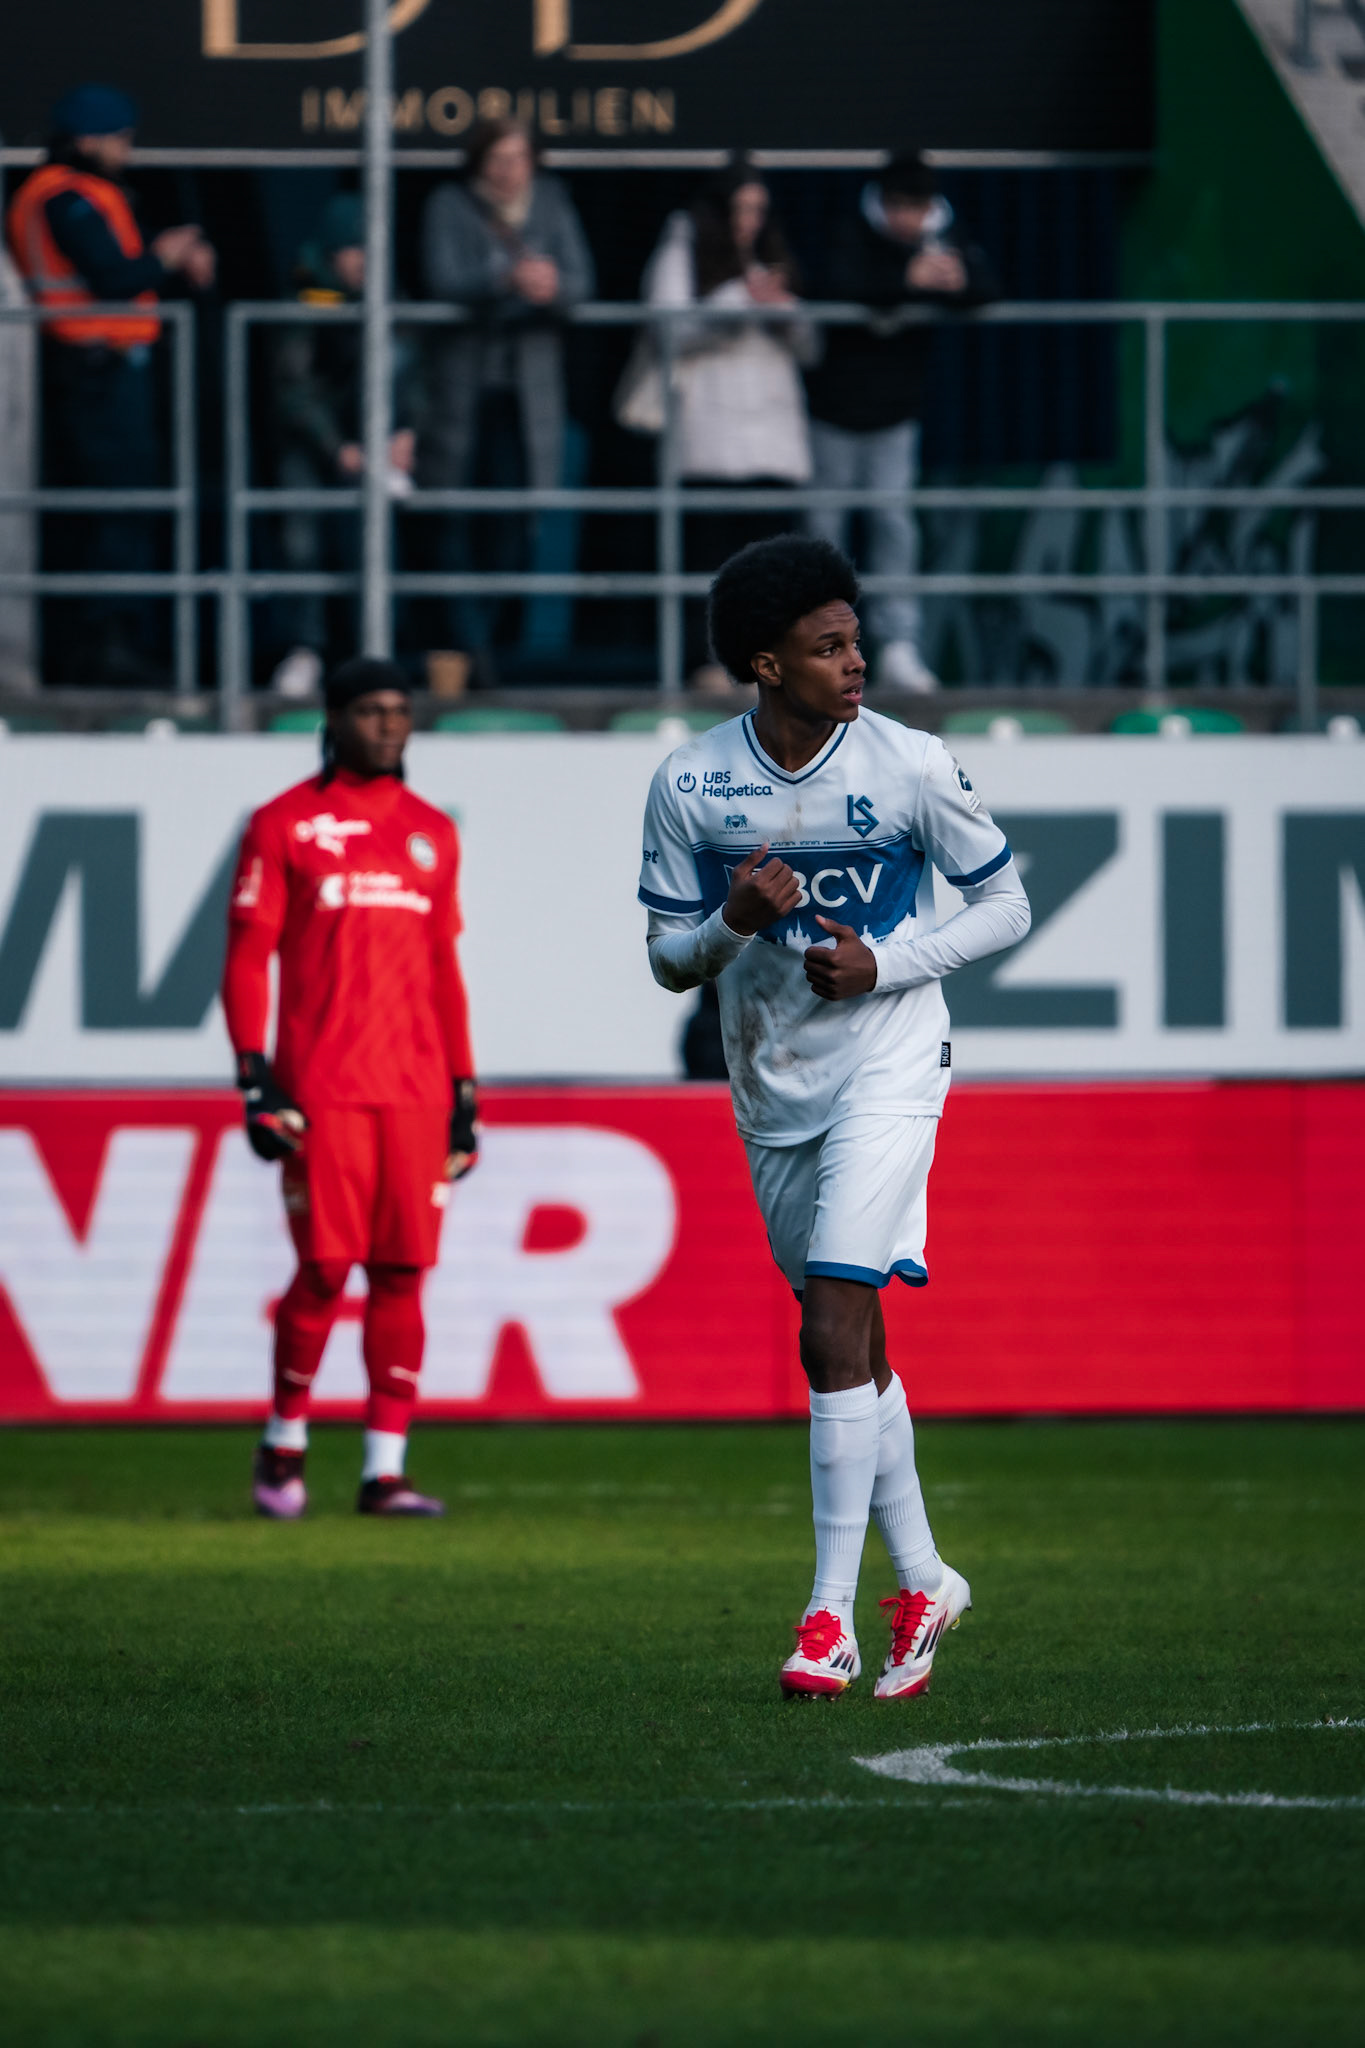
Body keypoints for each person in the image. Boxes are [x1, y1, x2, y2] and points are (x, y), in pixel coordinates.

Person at [637, 536, 1030, 1698]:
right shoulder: (691, 783)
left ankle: (828, 1614)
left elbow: (1004, 902)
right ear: (766, 663)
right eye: (830, 645)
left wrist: (892, 962)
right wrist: (730, 924)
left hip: (894, 1059)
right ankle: (926, 1575)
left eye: (856, 638)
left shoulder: (910, 764)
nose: (858, 660)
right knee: (844, 1331)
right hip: (770, 1081)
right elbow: (667, 959)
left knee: (834, 1312)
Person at [221, 656, 479, 1518]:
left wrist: (463, 1089)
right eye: (370, 711)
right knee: (327, 1269)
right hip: (322, 1087)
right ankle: (285, 1442)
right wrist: (253, 1080)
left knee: (403, 1270)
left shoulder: (430, 832)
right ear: (332, 719)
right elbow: (247, 956)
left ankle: (384, 1471)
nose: (389, 726)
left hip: (413, 1093)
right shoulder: (283, 824)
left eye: (399, 712)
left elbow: (443, 969)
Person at [5, 84, 215, 685]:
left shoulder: (73, 195)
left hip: (102, 370)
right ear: (88, 139)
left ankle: (111, 640)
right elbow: (112, 277)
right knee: (113, 509)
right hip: (94, 373)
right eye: (120, 139)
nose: (127, 150)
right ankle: (105, 646)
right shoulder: (64, 198)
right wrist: (167, 256)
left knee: (118, 509)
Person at [804, 149, 997, 693]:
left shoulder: (945, 231)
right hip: (832, 413)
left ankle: (898, 647)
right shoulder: (848, 228)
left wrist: (954, 278)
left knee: (894, 527)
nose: (906, 220)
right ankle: (819, 649)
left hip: (896, 416)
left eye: (917, 208)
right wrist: (906, 277)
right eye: (897, 207)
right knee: (824, 536)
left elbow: (988, 287)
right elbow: (836, 283)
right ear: (882, 202)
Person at [419, 118, 594, 666]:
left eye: (518, 158)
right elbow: (441, 278)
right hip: (463, 392)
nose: (508, 170)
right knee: (454, 519)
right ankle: (465, 648)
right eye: (497, 158)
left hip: (527, 393)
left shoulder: (552, 202)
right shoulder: (449, 204)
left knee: (517, 522)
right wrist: (505, 281)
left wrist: (551, 288)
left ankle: (492, 646)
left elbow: (581, 282)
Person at [638, 169, 814, 681]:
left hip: (773, 443)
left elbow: (813, 347)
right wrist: (739, 302)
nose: (750, 222)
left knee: (776, 571)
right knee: (711, 566)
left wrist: (788, 315)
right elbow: (665, 330)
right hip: (708, 437)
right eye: (740, 209)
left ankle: (771, 667)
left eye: (759, 210)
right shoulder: (682, 248)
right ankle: (707, 664)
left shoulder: (772, 257)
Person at [267, 193, 419, 697]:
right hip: (313, 444)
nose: (364, 262)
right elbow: (294, 387)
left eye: (371, 250)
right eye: (355, 250)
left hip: (369, 446)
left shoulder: (388, 295)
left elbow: (410, 373)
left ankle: (372, 655)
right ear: (333, 252)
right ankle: (304, 651)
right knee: (301, 540)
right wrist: (337, 446)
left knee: (374, 544)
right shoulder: (307, 296)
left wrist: (404, 430)